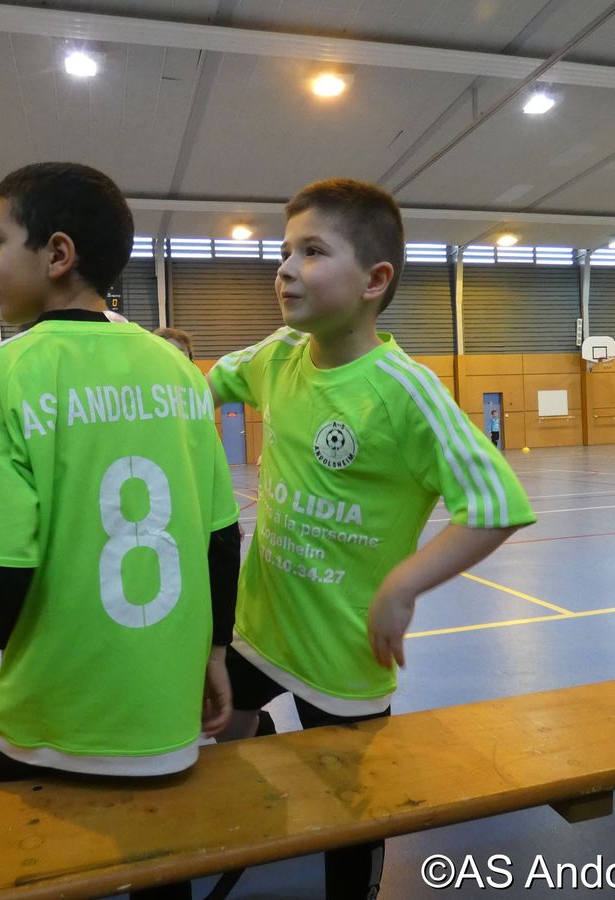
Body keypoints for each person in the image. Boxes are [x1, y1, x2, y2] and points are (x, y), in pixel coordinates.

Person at [207, 178, 536, 899]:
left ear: (374, 280)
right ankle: (254, 810)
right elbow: (205, 387)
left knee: (351, 815)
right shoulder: (278, 356)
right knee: (207, 732)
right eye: (284, 251)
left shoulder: (404, 391)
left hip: (345, 655)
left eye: (312, 252)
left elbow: (495, 505)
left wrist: (401, 585)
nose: (285, 268)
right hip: (260, 629)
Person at [0, 163, 240, 900]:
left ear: (57, 254)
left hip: (50, 716)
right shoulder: (178, 371)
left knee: (9, 874)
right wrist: (214, 651)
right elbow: (220, 533)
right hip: (164, 716)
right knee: (162, 873)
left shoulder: (4, 371)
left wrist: (28, 655)